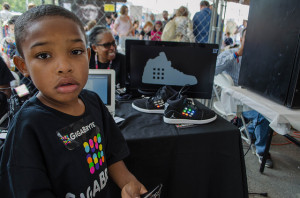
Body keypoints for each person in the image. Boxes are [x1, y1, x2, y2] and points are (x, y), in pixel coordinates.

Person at [0, 5, 147, 197]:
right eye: (44, 55)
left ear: (87, 56)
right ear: (23, 66)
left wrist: (128, 182)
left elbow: (112, 156)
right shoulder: (27, 127)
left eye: (75, 52)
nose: (64, 67)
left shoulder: (93, 101)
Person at [215, 29, 273, 168]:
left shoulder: (261, 57)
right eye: (249, 39)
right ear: (241, 40)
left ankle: (251, 130)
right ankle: (262, 151)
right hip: (238, 103)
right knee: (264, 114)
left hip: (256, 98)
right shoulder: (230, 53)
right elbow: (214, 69)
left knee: (271, 110)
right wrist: (237, 54)